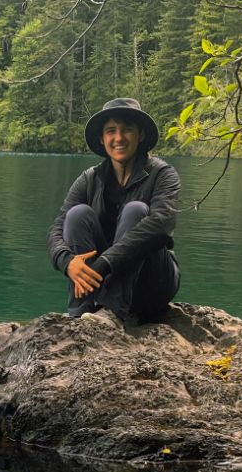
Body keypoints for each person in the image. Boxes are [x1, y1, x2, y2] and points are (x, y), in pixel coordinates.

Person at [47, 98, 181, 327]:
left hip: (153, 283)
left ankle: (112, 312)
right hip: (99, 280)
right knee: (77, 214)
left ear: (140, 135)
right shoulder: (89, 179)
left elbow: (161, 225)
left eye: (127, 129)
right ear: (102, 138)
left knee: (136, 210)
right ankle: (81, 312)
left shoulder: (163, 174)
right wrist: (67, 261)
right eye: (111, 131)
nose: (119, 138)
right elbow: (56, 229)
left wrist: (105, 263)